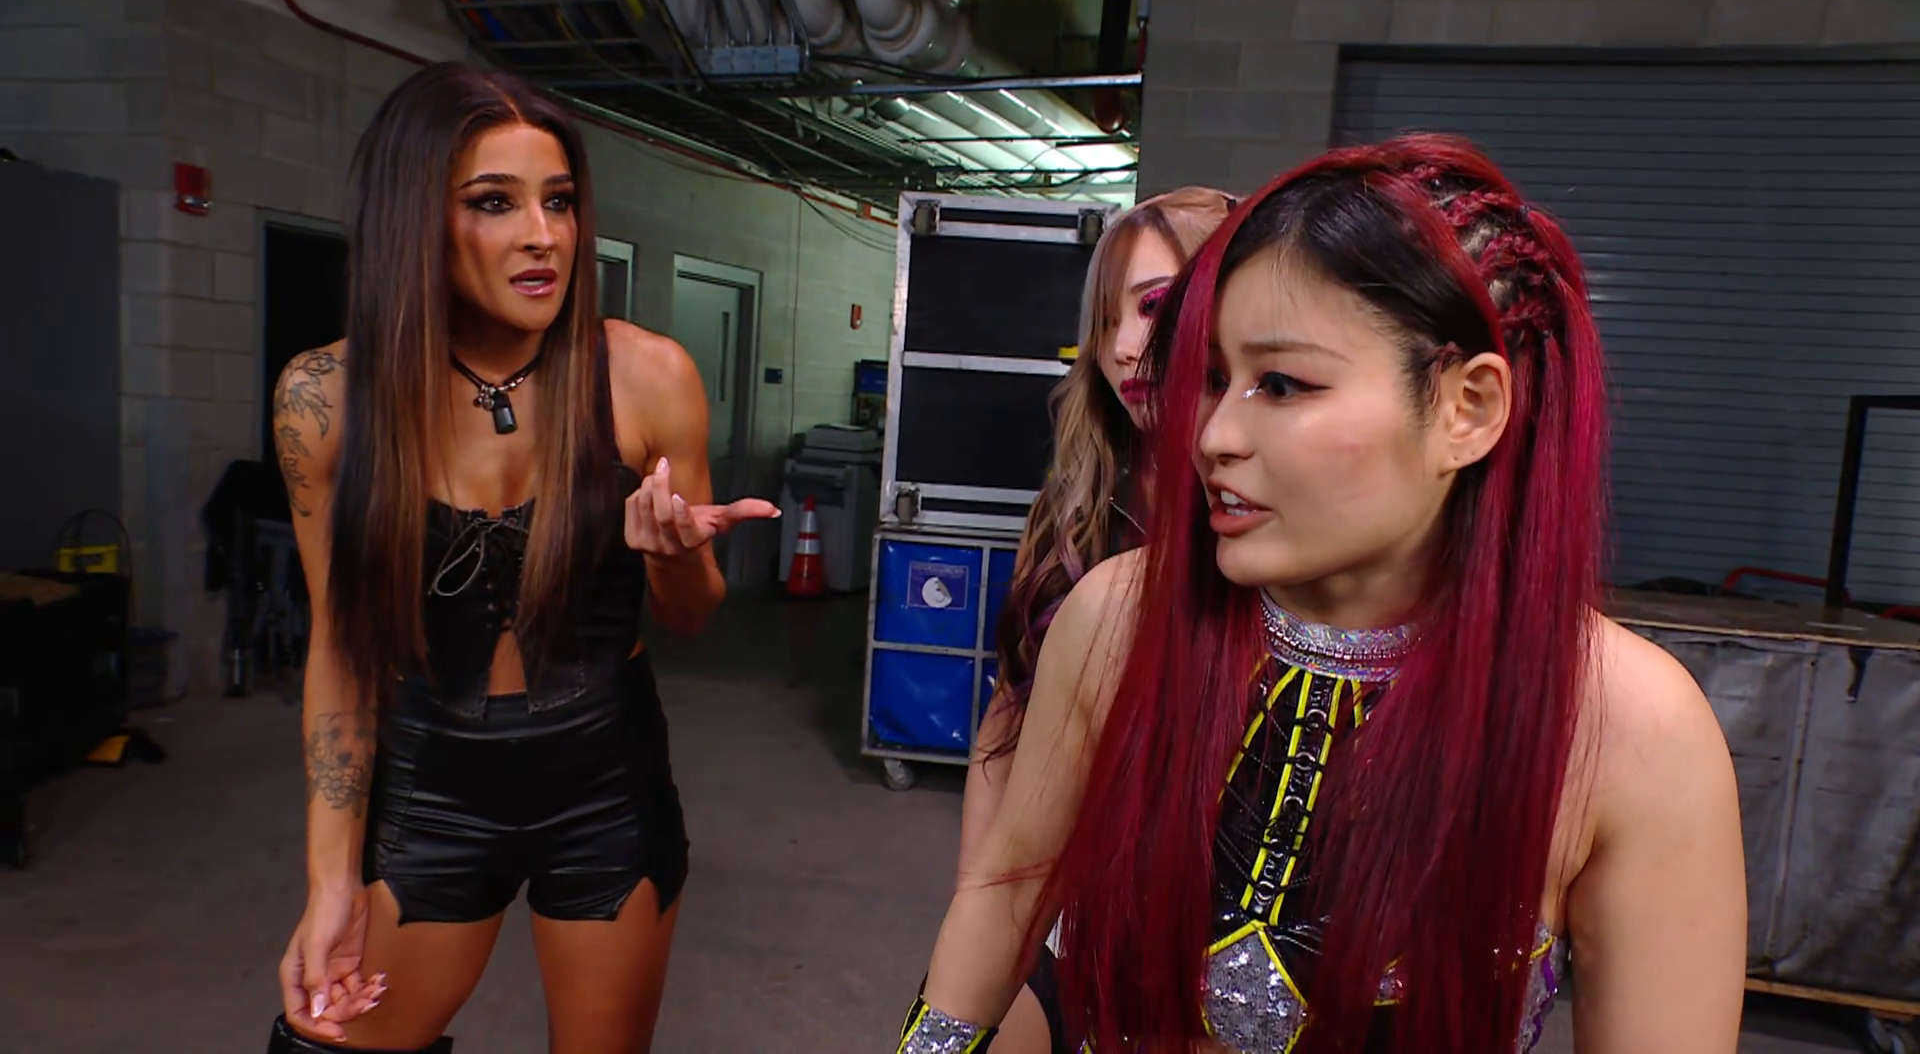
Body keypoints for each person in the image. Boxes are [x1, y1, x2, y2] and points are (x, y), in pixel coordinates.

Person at [895, 134, 1748, 1053]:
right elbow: (1008, 889)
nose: (1213, 435)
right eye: (1214, 379)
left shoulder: (1628, 726)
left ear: (1467, 408)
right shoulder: (1117, 616)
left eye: (1282, 383)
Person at [268, 62, 775, 1053]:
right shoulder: (325, 400)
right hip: (430, 781)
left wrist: (673, 556)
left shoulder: (646, 375)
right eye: (495, 202)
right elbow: (341, 652)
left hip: (603, 779)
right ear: (416, 217)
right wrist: (329, 882)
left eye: (560, 200)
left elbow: (692, 613)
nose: (544, 235)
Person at [955, 186, 1236, 1054]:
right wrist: (977, 914)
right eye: (1106, 319)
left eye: (1152, 307)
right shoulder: (1074, 508)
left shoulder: (1282, 519)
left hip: (1222, 973)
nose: (1120, 348)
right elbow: (1008, 720)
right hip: (1063, 934)